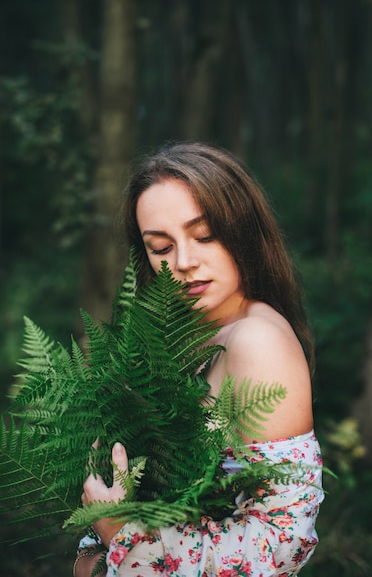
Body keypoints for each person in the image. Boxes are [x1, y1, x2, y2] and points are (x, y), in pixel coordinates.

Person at [74, 141, 324, 577]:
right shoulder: (183, 337)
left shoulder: (257, 341)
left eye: (204, 235)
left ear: (243, 230)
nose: (184, 262)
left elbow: (281, 545)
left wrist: (120, 532)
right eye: (161, 247)